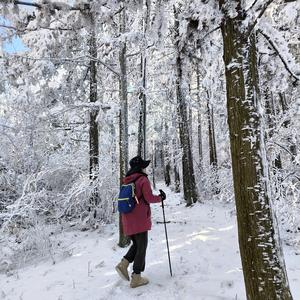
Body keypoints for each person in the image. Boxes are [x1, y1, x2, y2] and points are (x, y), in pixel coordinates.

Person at [115, 155, 166, 288]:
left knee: (137, 245)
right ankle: (136, 277)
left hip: (127, 218)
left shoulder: (126, 180)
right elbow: (148, 198)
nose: (145, 168)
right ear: (140, 167)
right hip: (139, 219)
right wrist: (160, 198)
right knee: (141, 247)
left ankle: (123, 264)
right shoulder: (142, 180)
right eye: (144, 166)